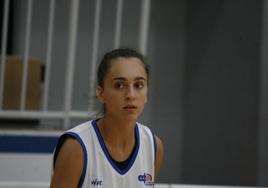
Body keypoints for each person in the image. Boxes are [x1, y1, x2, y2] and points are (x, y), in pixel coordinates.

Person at [50, 48, 164, 188]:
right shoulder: (75, 147)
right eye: (119, 85)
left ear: (146, 93)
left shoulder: (154, 146)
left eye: (138, 85)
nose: (131, 95)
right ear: (101, 93)